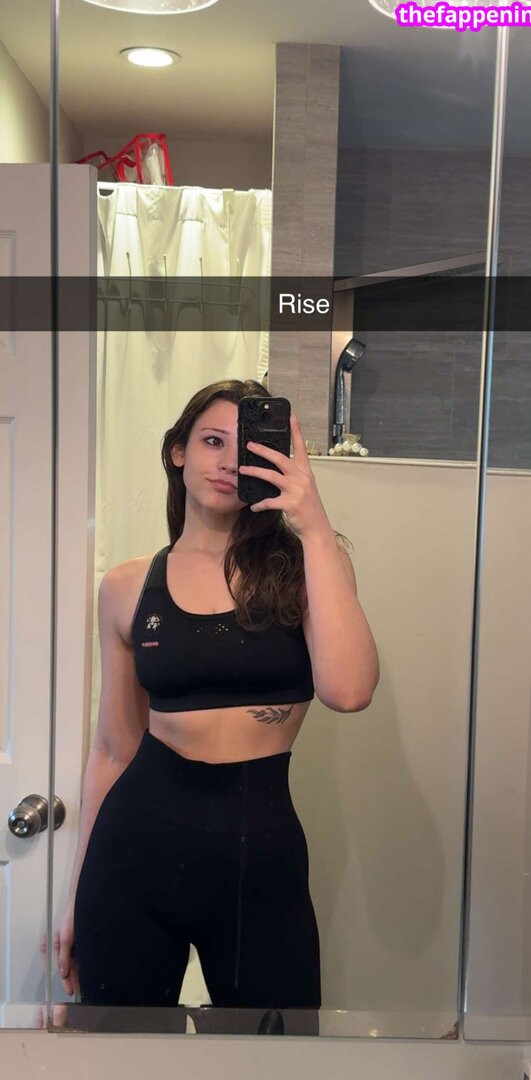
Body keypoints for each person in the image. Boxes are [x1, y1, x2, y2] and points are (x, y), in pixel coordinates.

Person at [54, 378, 379, 1011]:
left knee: (275, 1051)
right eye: (211, 442)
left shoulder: (309, 567)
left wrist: (312, 521)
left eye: (248, 448)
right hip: (132, 856)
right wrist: (72, 897)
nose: (230, 462)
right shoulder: (127, 586)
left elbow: (349, 691)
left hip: (260, 861)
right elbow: (114, 750)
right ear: (178, 451)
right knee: (122, 1053)